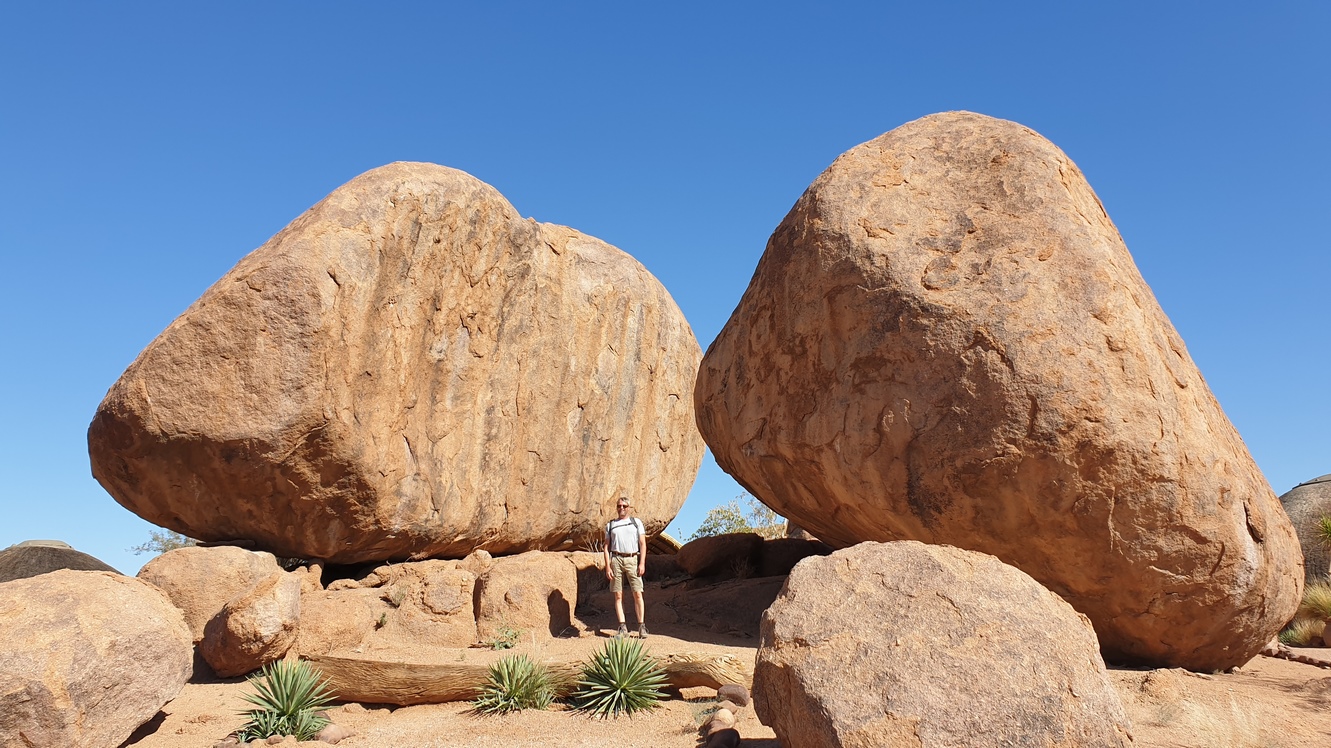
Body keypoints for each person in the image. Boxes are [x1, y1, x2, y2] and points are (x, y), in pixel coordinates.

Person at [603, 496, 647, 639]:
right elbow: (606, 547)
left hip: (632, 559)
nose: (621, 508)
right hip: (616, 559)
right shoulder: (611, 525)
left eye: (624, 506)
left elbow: (642, 544)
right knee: (618, 594)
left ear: (629, 508)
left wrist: (642, 563)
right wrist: (608, 566)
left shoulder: (636, 523)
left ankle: (641, 626)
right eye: (619, 506)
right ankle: (622, 627)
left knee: (638, 593)